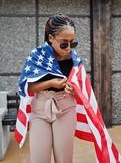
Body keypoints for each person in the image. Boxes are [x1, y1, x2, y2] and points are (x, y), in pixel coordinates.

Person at [19, 14, 79, 163]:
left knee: (64, 159)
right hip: (40, 109)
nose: (69, 48)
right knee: (39, 158)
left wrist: (74, 89)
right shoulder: (36, 56)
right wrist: (51, 83)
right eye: (64, 43)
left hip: (66, 108)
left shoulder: (75, 58)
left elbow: (81, 86)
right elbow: (28, 87)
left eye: (73, 43)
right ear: (51, 38)